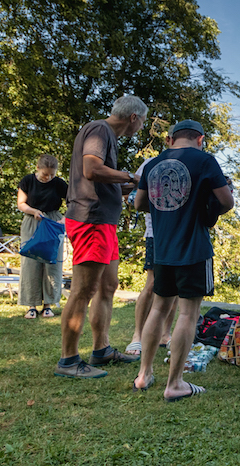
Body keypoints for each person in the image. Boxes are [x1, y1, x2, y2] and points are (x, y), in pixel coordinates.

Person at [132, 120, 233, 401]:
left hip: (162, 248)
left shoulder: (153, 164)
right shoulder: (205, 160)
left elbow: (139, 203)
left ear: (170, 139)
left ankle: (143, 375)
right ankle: (174, 383)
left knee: (158, 309)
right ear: (200, 139)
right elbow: (226, 201)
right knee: (187, 313)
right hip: (193, 249)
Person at [55, 95, 147, 379]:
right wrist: (129, 177)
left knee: (108, 286)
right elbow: (91, 169)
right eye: (142, 122)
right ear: (133, 117)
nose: (141, 127)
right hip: (90, 219)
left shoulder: (107, 136)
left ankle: (102, 349)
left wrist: (130, 187)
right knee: (84, 290)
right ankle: (69, 360)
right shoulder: (99, 130)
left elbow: (101, 180)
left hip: (104, 221)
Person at [124, 153, 177, 357]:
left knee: (176, 288)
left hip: (182, 234)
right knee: (152, 284)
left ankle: (165, 335)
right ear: (169, 140)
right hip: (156, 233)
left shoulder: (191, 163)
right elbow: (134, 196)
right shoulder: (151, 163)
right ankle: (137, 337)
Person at [16, 154, 68, 319]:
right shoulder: (28, 181)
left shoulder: (59, 184)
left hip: (53, 222)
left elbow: (73, 202)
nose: (49, 177)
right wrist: (33, 211)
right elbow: (21, 203)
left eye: (52, 174)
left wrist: (64, 219)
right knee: (31, 262)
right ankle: (31, 305)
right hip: (32, 221)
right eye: (46, 174)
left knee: (51, 262)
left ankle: (48, 304)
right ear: (37, 168)